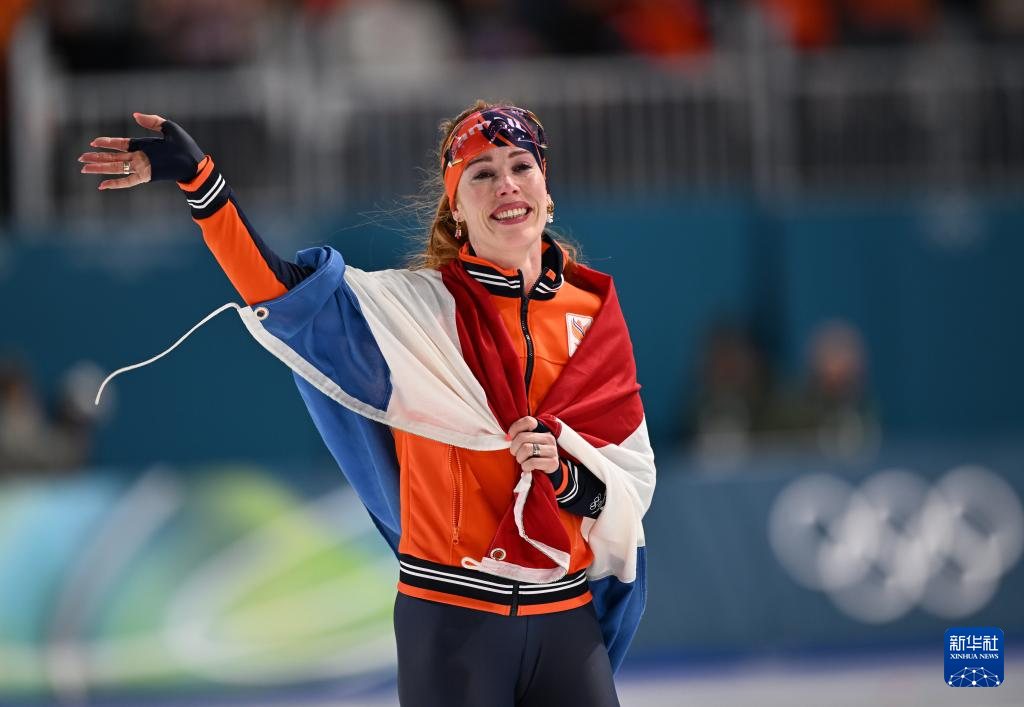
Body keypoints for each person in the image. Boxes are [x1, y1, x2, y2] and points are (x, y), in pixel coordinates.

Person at [80, 102, 656, 707]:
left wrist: (569, 481)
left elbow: (623, 489)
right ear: (456, 209)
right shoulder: (411, 318)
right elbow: (283, 295)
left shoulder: (594, 316)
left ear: (546, 188)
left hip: (565, 619)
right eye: (482, 173)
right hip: (454, 623)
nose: (506, 184)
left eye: (521, 166)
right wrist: (203, 185)